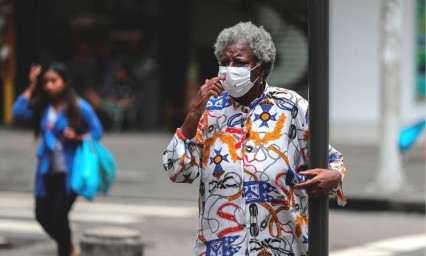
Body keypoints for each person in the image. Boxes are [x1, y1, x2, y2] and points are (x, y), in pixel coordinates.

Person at [162, 21, 347, 256]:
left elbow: (332, 159)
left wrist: (335, 175)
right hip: (222, 247)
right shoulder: (210, 109)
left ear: (261, 68)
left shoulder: (290, 106)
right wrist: (193, 114)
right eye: (224, 63)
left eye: (239, 63)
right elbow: (177, 171)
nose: (229, 69)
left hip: (282, 247)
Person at [13, 63, 103, 256]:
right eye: (45, 82)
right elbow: (18, 113)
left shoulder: (78, 106)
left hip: (69, 170)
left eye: (53, 81)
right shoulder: (43, 106)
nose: (49, 86)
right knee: (42, 215)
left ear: (64, 82)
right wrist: (31, 85)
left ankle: (65, 251)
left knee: (59, 215)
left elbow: (97, 131)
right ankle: (69, 247)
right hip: (46, 169)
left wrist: (77, 137)